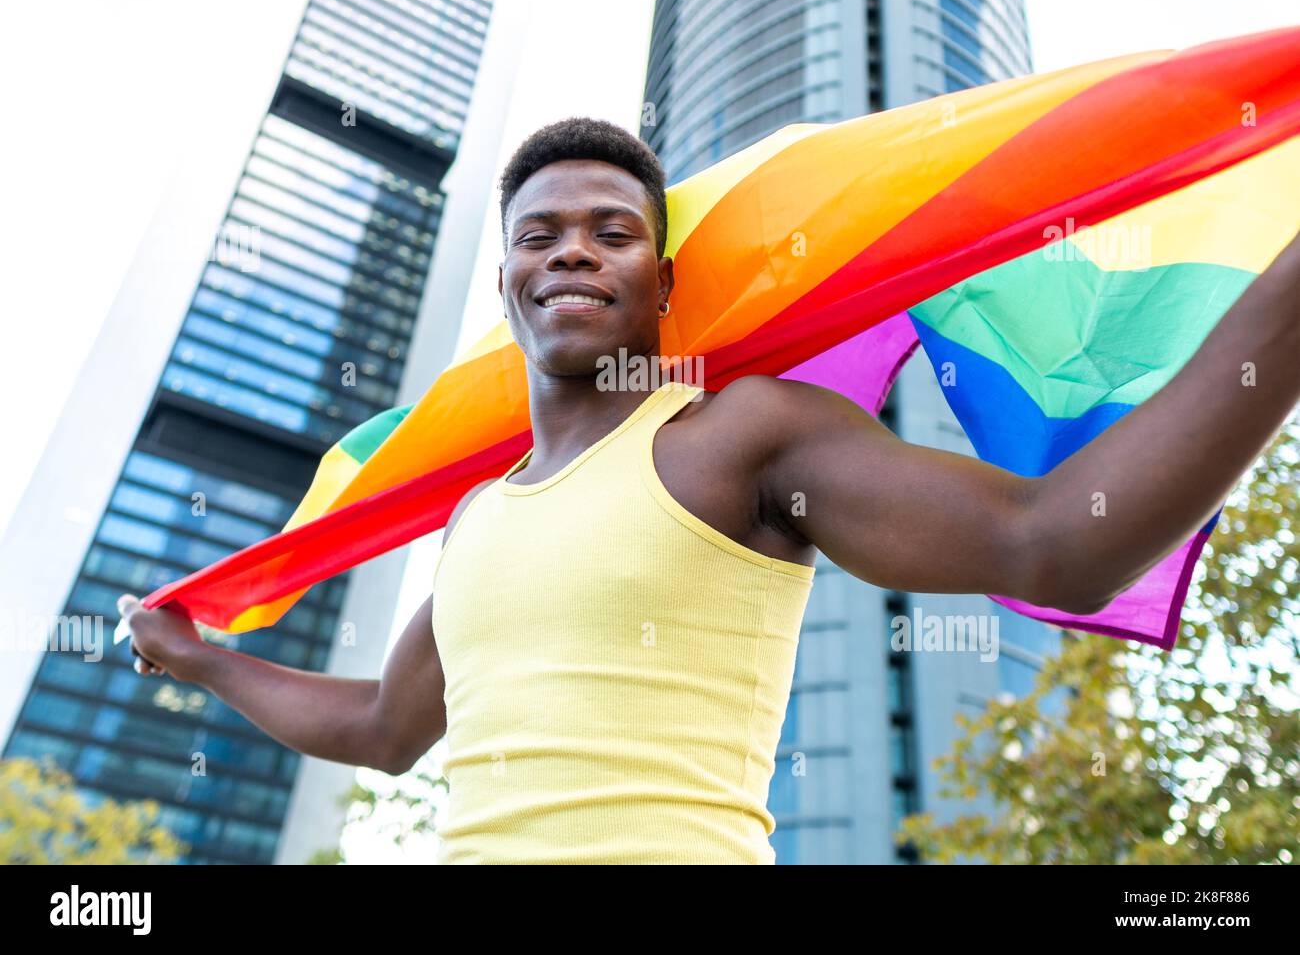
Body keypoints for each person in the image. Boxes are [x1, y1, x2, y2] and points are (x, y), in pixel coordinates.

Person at [118, 117, 1300, 864]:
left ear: (662, 276)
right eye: (540, 235)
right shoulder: (480, 515)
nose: (571, 250)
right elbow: (384, 730)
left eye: (609, 231)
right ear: (507, 279)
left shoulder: (738, 438)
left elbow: (1054, 544)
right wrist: (203, 656)